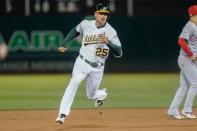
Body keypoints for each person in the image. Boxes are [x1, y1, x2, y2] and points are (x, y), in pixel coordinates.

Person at [56, 2, 122, 124]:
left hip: (98, 68)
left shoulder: (111, 31)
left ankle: (103, 94)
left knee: (91, 95)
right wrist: (64, 43)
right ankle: (62, 114)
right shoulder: (86, 24)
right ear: (95, 14)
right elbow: (75, 31)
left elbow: (119, 52)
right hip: (82, 62)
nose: (103, 16)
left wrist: (109, 43)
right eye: (101, 13)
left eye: (106, 14)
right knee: (74, 82)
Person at [167, 5, 197, 119]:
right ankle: (187, 110)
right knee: (195, 84)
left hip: (189, 60)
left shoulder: (195, 26)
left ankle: (173, 110)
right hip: (186, 59)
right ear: (193, 15)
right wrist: (191, 54)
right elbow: (181, 41)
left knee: (184, 86)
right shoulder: (190, 26)